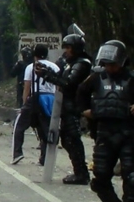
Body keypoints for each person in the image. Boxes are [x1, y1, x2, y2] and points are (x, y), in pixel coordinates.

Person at [77, 40, 134, 202]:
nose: (110, 68)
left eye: (113, 64)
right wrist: (84, 111)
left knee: (131, 178)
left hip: (128, 133)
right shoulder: (96, 78)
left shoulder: (131, 79)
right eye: (107, 64)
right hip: (104, 132)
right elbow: (80, 93)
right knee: (100, 178)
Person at [39, 33, 92, 184]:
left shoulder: (83, 63)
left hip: (75, 106)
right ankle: (80, 172)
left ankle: (82, 173)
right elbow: (59, 75)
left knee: (73, 139)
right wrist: (45, 71)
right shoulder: (69, 62)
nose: (66, 50)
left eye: (69, 47)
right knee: (67, 140)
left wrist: (46, 75)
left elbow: (68, 83)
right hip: (65, 105)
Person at [11, 44, 58, 165]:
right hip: (51, 99)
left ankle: (17, 153)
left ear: (34, 55)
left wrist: (24, 103)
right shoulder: (55, 67)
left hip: (36, 96)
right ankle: (45, 157)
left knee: (20, 125)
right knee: (44, 128)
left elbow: (27, 87)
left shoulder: (31, 67)